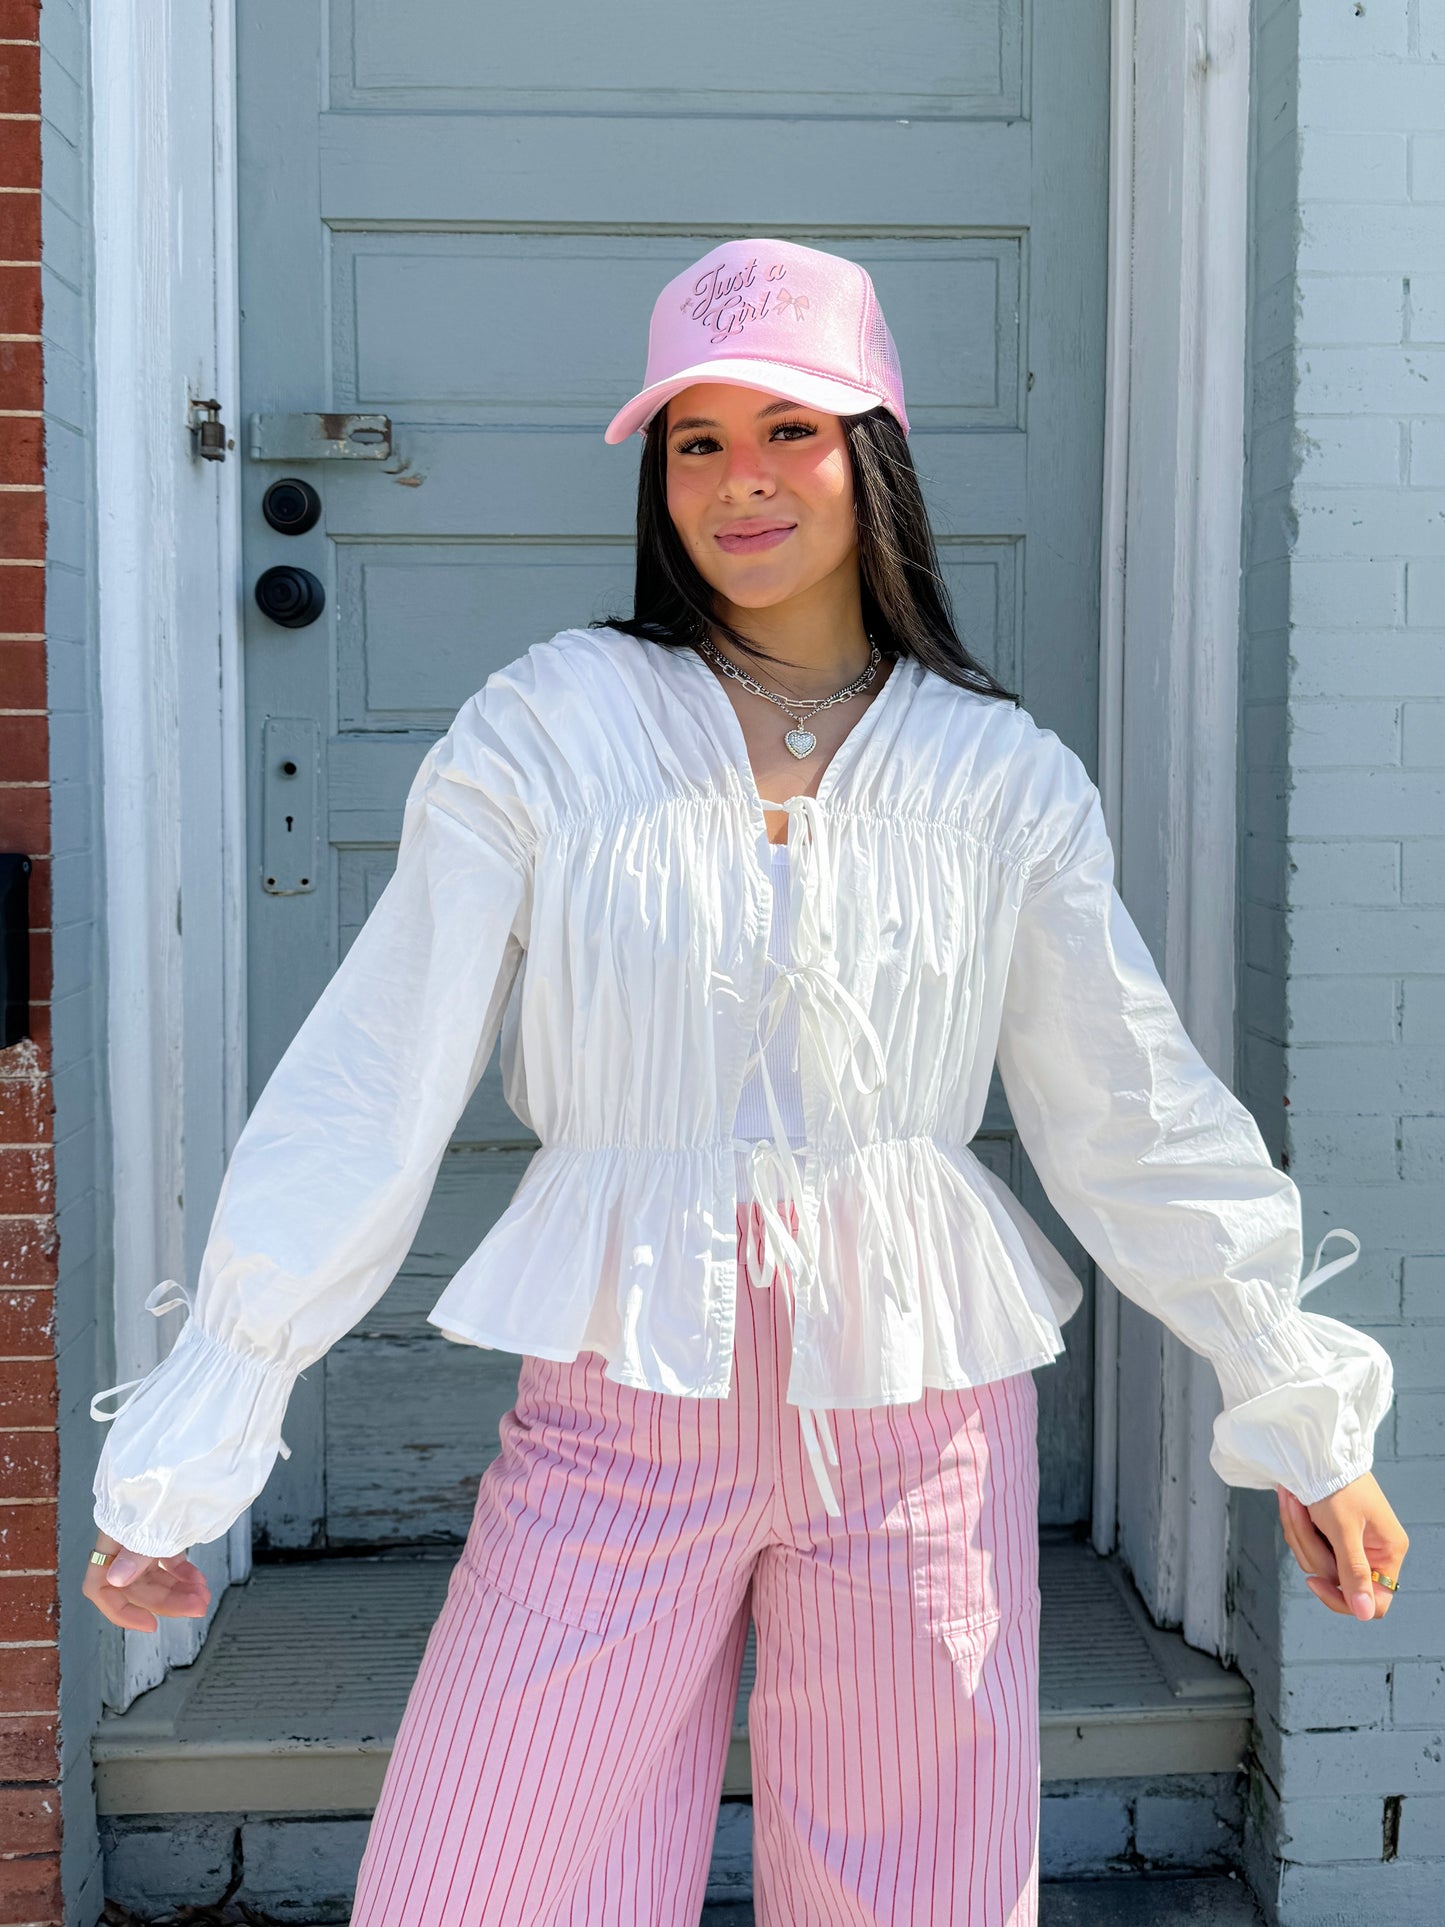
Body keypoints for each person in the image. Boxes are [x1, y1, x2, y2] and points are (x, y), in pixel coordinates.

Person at [84, 239, 1405, 1926]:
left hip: (921, 1408)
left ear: (874, 449)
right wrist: (194, 1451)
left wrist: (1299, 1409)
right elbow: (370, 1078)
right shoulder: (551, 726)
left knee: (915, 1889)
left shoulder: (997, 774)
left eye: (788, 426)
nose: (740, 481)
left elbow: (1129, 1107)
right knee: (487, 1875)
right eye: (693, 441)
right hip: (621, 1400)